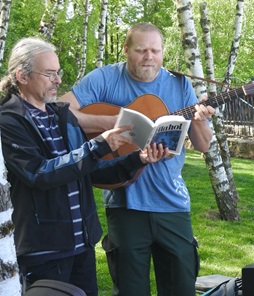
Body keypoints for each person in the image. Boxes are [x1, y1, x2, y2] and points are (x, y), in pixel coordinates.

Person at [0, 38, 166, 296]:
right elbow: (39, 173)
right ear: (22, 75)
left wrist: (139, 159)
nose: (57, 80)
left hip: (82, 243)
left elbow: (90, 170)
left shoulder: (61, 115)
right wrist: (99, 144)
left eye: (58, 73)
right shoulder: (9, 121)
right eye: (49, 73)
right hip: (44, 249)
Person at [60, 23, 215, 296]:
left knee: (181, 287)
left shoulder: (180, 84)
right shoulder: (105, 78)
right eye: (141, 50)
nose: (149, 57)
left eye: (155, 50)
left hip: (173, 204)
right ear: (126, 50)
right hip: (124, 202)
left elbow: (203, 145)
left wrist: (200, 120)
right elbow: (61, 109)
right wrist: (115, 124)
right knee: (131, 290)